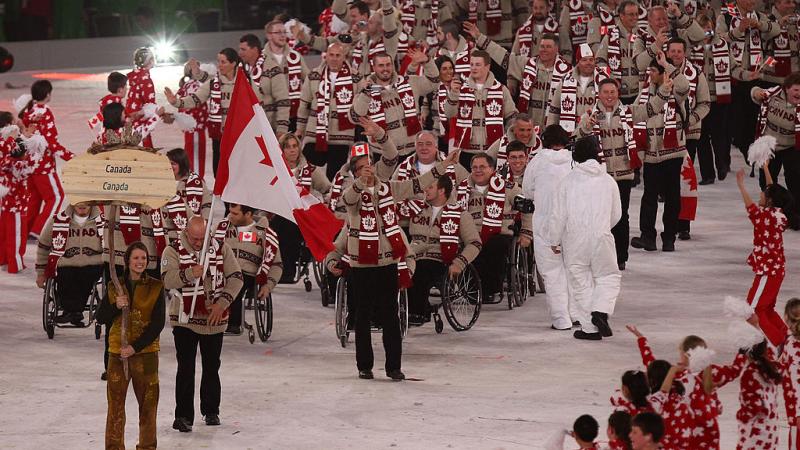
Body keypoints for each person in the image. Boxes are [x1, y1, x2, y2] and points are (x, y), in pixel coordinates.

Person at [338, 136, 457, 381]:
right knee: (361, 315)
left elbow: (418, 183)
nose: (367, 170)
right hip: (361, 263)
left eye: (368, 165)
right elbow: (346, 200)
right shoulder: (353, 193)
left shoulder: (388, 189)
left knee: (390, 315)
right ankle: (365, 366)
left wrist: (444, 166)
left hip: (387, 261)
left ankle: (394, 366)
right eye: (360, 168)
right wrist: (360, 183)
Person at [577, 76, 671, 270]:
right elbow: (578, 134)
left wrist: (664, 91)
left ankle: (621, 257)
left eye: (613, 92)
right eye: (605, 92)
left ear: (618, 94)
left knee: (621, 216)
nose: (609, 96)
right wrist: (587, 126)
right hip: (598, 175)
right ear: (598, 95)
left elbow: (650, 109)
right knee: (598, 217)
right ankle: (600, 257)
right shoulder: (589, 114)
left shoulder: (628, 112)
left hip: (623, 174)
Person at [161, 216, 243, 432]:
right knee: (185, 367)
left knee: (211, 366)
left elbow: (236, 277)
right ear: (186, 233)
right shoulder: (173, 250)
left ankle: (211, 410)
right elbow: (167, 280)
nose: (198, 243)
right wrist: (189, 274)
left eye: (201, 239)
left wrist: (222, 304)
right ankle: (183, 416)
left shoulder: (221, 248)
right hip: (184, 318)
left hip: (214, 319)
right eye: (194, 238)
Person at [546, 136, 621, 340]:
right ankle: (601, 310)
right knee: (608, 276)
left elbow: (558, 215)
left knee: (580, 282)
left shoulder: (567, 182)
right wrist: (602, 227)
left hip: (574, 239)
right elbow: (617, 214)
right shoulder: (609, 181)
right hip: (602, 236)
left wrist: (554, 240)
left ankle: (589, 328)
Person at [627, 326, 747, 449]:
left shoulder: (678, 375)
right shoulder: (713, 372)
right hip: (710, 433)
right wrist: (744, 348)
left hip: (686, 434)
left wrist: (641, 339)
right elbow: (735, 370)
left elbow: (652, 365)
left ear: (685, 355)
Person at [96, 241, 164, 450]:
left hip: (147, 354)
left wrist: (136, 347)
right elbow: (100, 317)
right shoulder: (114, 286)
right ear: (127, 261)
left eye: (143, 258)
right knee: (115, 407)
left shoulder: (156, 286)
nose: (140, 262)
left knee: (149, 405)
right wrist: (115, 305)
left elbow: (158, 323)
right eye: (136, 258)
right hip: (117, 354)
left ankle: (147, 446)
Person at [165, 49, 259, 176]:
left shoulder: (246, 82)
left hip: (240, 135)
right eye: (218, 61)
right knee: (219, 172)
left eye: (223, 62)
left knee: (241, 171)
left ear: (233, 63)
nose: (219, 65)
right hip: (219, 135)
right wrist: (176, 102)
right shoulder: (213, 83)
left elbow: (258, 106)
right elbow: (195, 99)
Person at [629, 56, 690, 253]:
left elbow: (684, 85)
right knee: (649, 197)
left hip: (672, 154)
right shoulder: (644, 93)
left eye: (654, 71)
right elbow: (636, 113)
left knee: (672, 196)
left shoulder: (676, 93)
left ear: (662, 73)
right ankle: (648, 237)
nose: (650, 74)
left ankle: (669, 238)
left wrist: (666, 65)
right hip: (651, 154)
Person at [405, 175, 482, 325]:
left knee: (422, 269)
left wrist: (460, 262)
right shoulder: (416, 209)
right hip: (414, 253)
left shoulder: (460, 214)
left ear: (441, 190)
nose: (425, 189)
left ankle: (416, 313)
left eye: (430, 187)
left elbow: (475, 243)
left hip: (440, 258)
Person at [735, 167, 797, 347]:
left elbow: (751, 209)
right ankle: (788, 343)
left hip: (767, 271)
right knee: (767, 309)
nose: (760, 194)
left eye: (763, 193)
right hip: (775, 270)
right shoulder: (778, 213)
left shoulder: (766, 218)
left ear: (770, 200)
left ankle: (780, 345)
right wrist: (766, 168)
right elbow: (772, 188)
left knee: (753, 310)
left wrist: (741, 185)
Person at [522, 124, 574, 330]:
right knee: (572, 268)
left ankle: (561, 319)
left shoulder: (537, 162)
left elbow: (527, 191)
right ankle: (577, 313)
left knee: (552, 272)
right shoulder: (574, 161)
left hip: (545, 222)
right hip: (571, 223)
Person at [466, 25, 569, 128]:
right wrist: (479, 37)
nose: (544, 50)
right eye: (542, 46)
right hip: (528, 127)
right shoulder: (527, 64)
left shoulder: (566, 71)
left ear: (556, 49)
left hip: (553, 126)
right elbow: (503, 56)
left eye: (548, 47)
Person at [466, 153, 532, 302]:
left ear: (492, 169)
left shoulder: (509, 187)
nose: (478, 170)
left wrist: (526, 233)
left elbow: (527, 208)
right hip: (472, 233)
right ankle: (470, 288)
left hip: (500, 232)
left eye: (482, 167)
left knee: (494, 247)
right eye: (474, 167)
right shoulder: (462, 190)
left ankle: (490, 289)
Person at [349, 51, 440, 159]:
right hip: (384, 154)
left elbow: (433, 82)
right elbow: (355, 117)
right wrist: (366, 94)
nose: (385, 69)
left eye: (388, 65)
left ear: (392, 66)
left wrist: (427, 62)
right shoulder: (364, 89)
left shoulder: (409, 82)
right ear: (374, 67)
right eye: (381, 65)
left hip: (413, 150)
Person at [296, 42, 364, 181]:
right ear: (326, 56)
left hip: (342, 137)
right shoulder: (313, 75)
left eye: (338, 55)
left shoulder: (356, 78)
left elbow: (362, 107)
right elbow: (304, 105)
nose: (334, 58)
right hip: (314, 134)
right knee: (307, 174)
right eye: (331, 55)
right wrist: (299, 129)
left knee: (335, 178)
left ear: (344, 57)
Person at [17, 79, 74, 240]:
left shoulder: (28, 110)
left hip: (30, 164)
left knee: (34, 198)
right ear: (47, 94)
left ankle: (26, 229)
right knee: (55, 197)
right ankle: (40, 229)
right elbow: (51, 142)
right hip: (44, 165)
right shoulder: (45, 112)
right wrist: (70, 156)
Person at [442, 49, 518, 169]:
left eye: (478, 64)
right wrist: (454, 94)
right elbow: (449, 113)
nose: (473, 68)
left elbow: (512, 117)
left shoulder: (501, 89)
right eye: (471, 64)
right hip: (467, 151)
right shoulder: (461, 89)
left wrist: (505, 140)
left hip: (493, 151)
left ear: (487, 67)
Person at [35, 202, 104, 326]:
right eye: (79, 201)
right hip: (65, 264)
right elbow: (43, 246)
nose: (82, 204)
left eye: (86, 202)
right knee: (65, 275)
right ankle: (72, 311)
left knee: (85, 276)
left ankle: (73, 311)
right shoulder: (57, 221)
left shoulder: (102, 222)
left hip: (92, 264)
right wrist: (41, 273)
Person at [220, 203, 282, 335]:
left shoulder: (265, 233)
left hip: (248, 274)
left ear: (248, 214)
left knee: (236, 280)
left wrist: (268, 285)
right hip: (221, 270)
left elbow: (276, 264)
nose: (230, 215)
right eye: (230, 211)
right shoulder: (221, 228)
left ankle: (233, 324)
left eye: (235, 213)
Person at [752, 72, 800, 202]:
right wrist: (757, 94)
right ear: (786, 88)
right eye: (796, 90)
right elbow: (755, 91)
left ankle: (795, 210)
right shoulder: (774, 93)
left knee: (795, 180)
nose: (798, 93)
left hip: (791, 146)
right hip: (769, 144)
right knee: (766, 181)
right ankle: (771, 210)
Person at [0, 123, 36, 273]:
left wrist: (11, 140)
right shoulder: (19, 165)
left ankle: (3, 258)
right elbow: (32, 165)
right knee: (16, 236)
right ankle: (15, 264)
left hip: (7, 205)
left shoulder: (6, 163)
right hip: (16, 207)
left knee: (4, 234)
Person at [238, 33, 290, 136]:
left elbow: (283, 100)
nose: (240, 53)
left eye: (243, 49)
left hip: (269, 128)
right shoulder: (241, 70)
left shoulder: (272, 69)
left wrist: (282, 128)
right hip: (248, 127)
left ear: (254, 49)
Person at [264, 20, 310, 134]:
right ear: (269, 35)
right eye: (278, 32)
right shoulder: (261, 59)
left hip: (294, 115)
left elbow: (310, 80)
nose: (283, 35)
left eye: (284, 32)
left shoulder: (295, 56)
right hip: (269, 117)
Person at [594, 0, 644, 105]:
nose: (635, 17)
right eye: (631, 14)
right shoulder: (610, 36)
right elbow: (599, 60)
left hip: (640, 93)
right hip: (617, 94)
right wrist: (611, 79)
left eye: (636, 14)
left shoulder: (643, 35)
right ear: (622, 16)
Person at [735, 340, 781, 450]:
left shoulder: (750, 373)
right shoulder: (770, 369)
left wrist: (740, 415)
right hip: (770, 431)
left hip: (754, 434)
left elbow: (753, 406)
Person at [162, 148, 212, 243]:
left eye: (173, 163)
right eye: (167, 163)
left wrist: (203, 227)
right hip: (167, 233)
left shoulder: (197, 182)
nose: (169, 166)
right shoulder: (161, 182)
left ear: (181, 164)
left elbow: (206, 206)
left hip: (192, 235)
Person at [176, 62, 210, 178]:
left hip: (190, 129)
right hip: (195, 128)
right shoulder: (194, 86)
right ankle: (196, 182)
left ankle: (192, 182)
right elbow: (194, 108)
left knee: (191, 155)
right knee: (196, 158)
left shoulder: (186, 86)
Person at [450, 0, 529, 50]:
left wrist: (520, 35)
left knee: (500, 74)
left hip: (502, 45)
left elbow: (522, 11)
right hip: (478, 44)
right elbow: (458, 9)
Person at [126, 47, 157, 148]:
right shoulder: (145, 79)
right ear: (149, 61)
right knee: (145, 160)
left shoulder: (136, 77)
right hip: (140, 127)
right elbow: (150, 106)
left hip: (131, 125)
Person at [780, 298, 800, 447]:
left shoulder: (793, 346)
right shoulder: (789, 342)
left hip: (797, 412)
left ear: (786, 318)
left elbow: (797, 380)